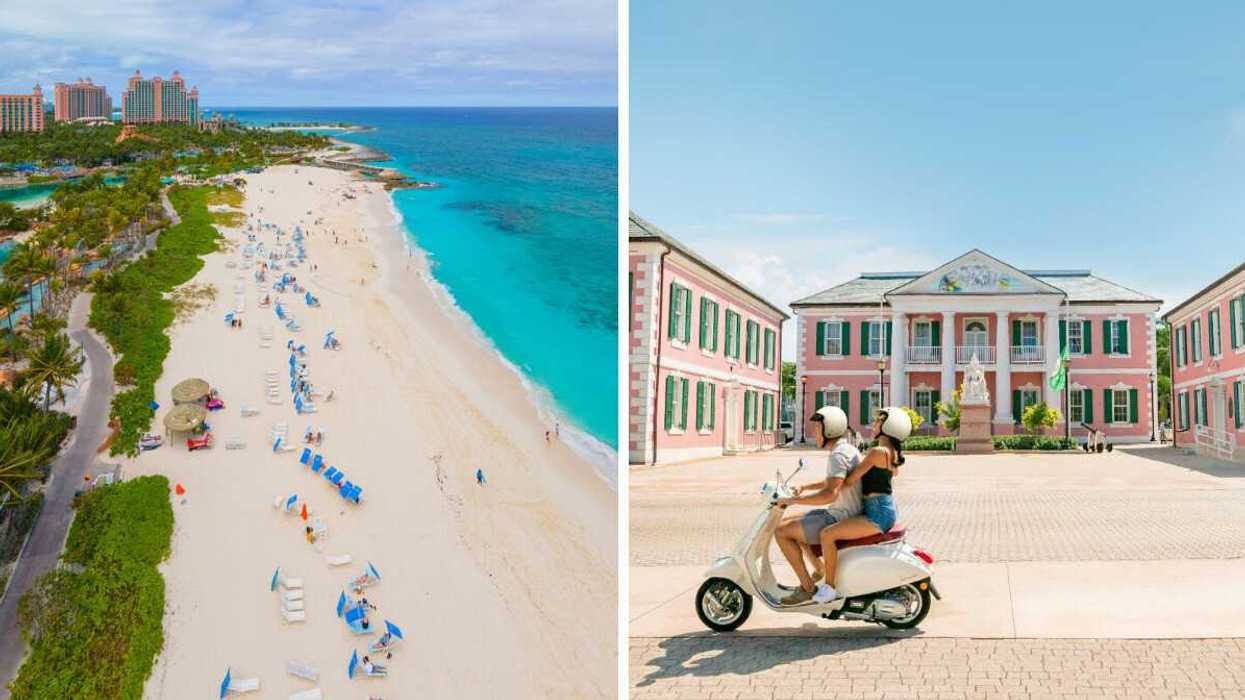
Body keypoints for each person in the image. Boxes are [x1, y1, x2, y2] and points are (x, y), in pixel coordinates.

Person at [810, 406, 911, 603]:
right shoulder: (892, 454)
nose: (874, 424)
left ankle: (830, 588)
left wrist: (840, 472)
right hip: (883, 508)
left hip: (877, 513)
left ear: (889, 427)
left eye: (878, 421)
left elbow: (850, 480)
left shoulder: (877, 452)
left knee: (827, 535)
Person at [771, 405, 862, 606]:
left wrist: (792, 501)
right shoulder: (845, 449)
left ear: (829, 429)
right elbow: (834, 481)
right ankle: (819, 570)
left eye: (818, 427)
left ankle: (806, 588)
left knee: (781, 532)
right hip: (842, 512)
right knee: (791, 523)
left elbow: (830, 494)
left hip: (840, 517)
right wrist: (804, 486)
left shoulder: (838, 455)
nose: (814, 432)